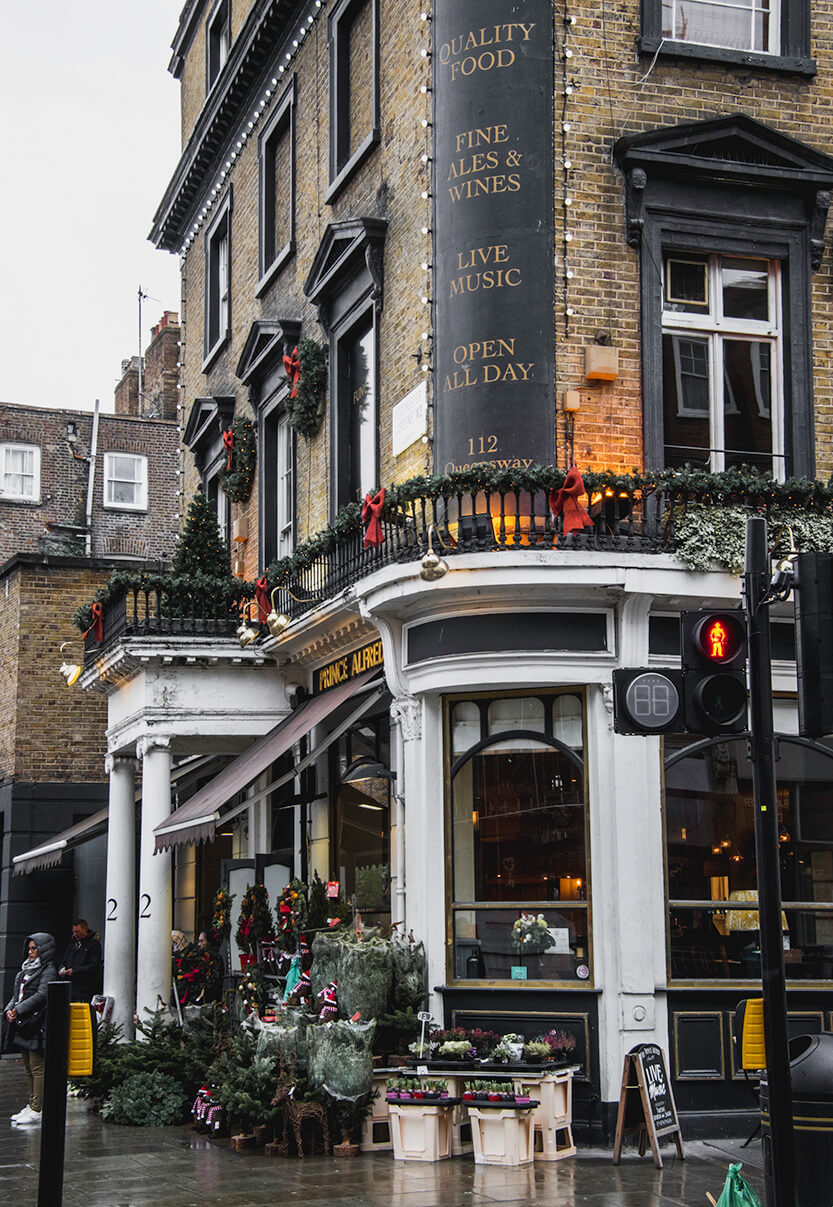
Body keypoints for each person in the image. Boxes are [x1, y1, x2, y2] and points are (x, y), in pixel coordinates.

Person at [4, 932, 58, 1126]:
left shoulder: (48, 970)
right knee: (28, 1067)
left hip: (36, 1025)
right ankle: (32, 1103)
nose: (31, 952)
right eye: (30, 948)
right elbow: (17, 995)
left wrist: (17, 1010)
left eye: (35, 948)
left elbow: (42, 995)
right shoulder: (25, 970)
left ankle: (37, 1108)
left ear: (44, 949)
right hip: (23, 1025)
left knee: (37, 1067)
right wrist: (10, 1009)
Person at [58, 919, 102, 1003]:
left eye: (78, 932)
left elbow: (94, 965)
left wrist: (75, 971)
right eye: (74, 932)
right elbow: (64, 960)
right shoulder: (71, 944)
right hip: (70, 986)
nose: (75, 934)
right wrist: (62, 969)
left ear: (85, 929)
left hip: (85, 987)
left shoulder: (94, 945)